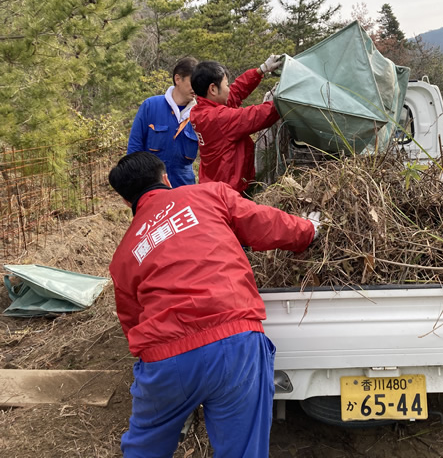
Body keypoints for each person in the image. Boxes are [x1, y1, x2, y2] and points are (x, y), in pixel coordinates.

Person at [108, 151, 321, 457]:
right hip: (236, 341)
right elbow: (265, 223)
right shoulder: (208, 194)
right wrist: (309, 231)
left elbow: (132, 323)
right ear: (165, 178)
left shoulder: (124, 255)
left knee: (145, 447)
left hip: (166, 360)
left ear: (127, 202)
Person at [190, 55, 283, 194]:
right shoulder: (217, 118)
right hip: (229, 191)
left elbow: (235, 92)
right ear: (213, 89)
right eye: (226, 85)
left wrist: (260, 71)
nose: (228, 89)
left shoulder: (202, 111)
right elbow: (255, 116)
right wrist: (281, 100)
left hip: (214, 184)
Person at [127, 56, 199, 188]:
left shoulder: (200, 114)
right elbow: (134, 149)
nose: (196, 88)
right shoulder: (151, 106)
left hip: (183, 189)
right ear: (178, 79)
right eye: (192, 82)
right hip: (151, 187)